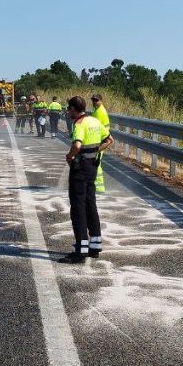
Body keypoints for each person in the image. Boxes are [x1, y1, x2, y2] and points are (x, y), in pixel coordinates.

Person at [60, 96, 113, 263]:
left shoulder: (80, 124)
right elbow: (109, 140)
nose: (68, 112)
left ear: (74, 109)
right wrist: (96, 150)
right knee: (91, 205)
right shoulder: (95, 121)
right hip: (92, 168)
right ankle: (95, 247)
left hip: (80, 169)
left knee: (78, 207)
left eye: (69, 109)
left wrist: (69, 157)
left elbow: (77, 145)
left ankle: (81, 250)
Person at [91, 94, 111, 194]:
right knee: (95, 162)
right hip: (100, 138)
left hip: (101, 139)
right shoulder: (96, 110)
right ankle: (96, 185)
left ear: (101, 101)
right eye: (93, 100)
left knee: (96, 162)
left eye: (96, 100)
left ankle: (99, 187)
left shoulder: (99, 112)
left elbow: (97, 127)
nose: (94, 102)